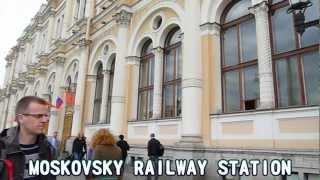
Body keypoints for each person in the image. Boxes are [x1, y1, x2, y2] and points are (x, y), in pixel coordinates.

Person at [0, 96, 56, 180]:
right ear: (21, 118)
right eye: (39, 116)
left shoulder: (49, 149)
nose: (45, 120)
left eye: (46, 116)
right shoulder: (2, 148)